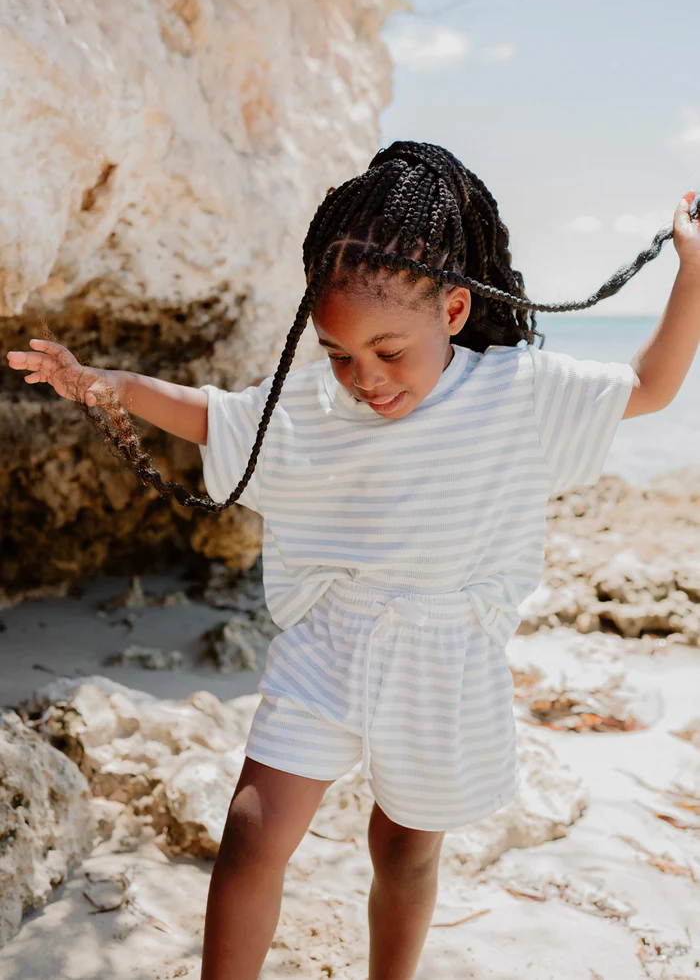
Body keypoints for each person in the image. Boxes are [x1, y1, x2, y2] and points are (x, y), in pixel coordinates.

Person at [6, 141, 700, 980]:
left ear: (451, 311)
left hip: (445, 655)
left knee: (403, 847)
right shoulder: (311, 404)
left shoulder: (517, 391)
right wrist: (104, 382)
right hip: (329, 641)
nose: (364, 378)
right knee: (253, 832)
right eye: (339, 355)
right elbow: (212, 414)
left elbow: (649, 387)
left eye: (386, 350)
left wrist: (691, 269)